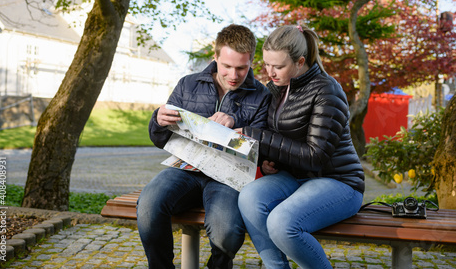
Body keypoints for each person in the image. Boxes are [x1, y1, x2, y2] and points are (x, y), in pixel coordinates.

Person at [137, 24, 271, 269]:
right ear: (215, 56)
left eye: (242, 67)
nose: (233, 74)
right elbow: (160, 139)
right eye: (227, 66)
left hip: (228, 178)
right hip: (185, 170)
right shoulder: (187, 84)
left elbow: (263, 149)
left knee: (226, 232)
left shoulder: (262, 95)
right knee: (148, 204)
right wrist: (157, 121)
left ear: (252, 61)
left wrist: (235, 125)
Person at [238, 24, 365, 269]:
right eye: (266, 64)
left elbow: (315, 156)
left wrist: (257, 137)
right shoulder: (276, 89)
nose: (270, 72)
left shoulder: (328, 91)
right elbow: (278, 139)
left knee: (282, 223)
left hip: (338, 181)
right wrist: (267, 158)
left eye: (278, 66)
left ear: (300, 62)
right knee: (249, 197)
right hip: (294, 177)